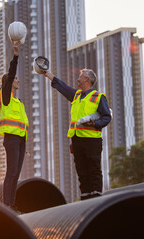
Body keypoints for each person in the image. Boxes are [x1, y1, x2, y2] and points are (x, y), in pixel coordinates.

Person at [43, 69, 111, 200]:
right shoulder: (76, 95)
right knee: (81, 171)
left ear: (87, 79)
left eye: (80, 76)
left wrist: (95, 123)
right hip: (77, 140)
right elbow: (63, 87)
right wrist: (49, 75)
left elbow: (107, 117)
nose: (78, 79)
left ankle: (96, 197)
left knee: (94, 170)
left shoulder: (98, 97)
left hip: (92, 140)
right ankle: (85, 198)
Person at [0, 40, 29, 211]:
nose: (18, 80)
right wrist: (16, 55)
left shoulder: (17, 102)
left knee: (16, 173)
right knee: (11, 172)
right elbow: (11, 71)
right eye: (15, 78)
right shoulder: (6, 96)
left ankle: (12, 204)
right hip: (12, 140)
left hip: (21, 140)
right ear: (8, 82)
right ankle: (6, 205)